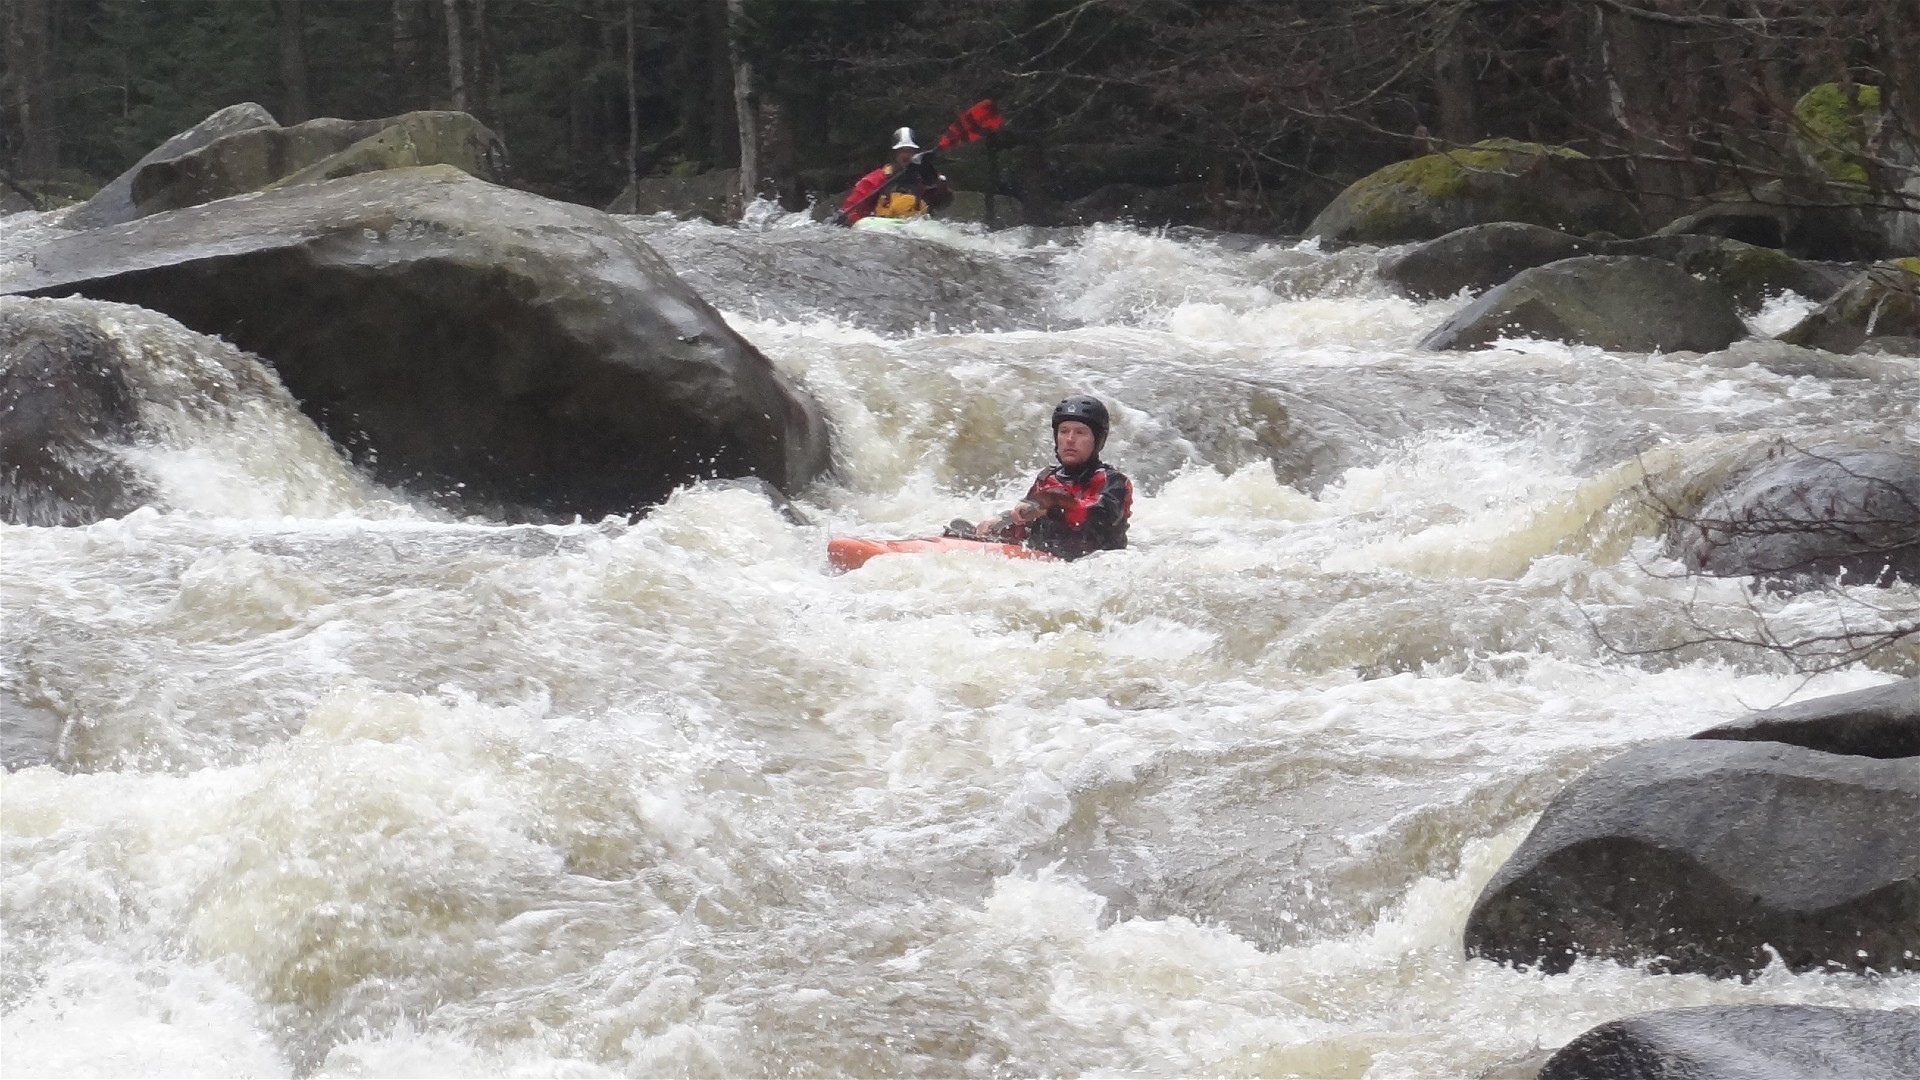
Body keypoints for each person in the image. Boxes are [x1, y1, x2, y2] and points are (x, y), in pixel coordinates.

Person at [965, 395, 1133, 560]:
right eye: (1064, 431)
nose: (1070, 440)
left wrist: (1050, 505)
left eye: (1080, 433)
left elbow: (1099, 515)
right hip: (1049, 559)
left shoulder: (1114, 482)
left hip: (1094, 565)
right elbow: (1027, 521)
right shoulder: (1047, 478)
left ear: (1098, 440)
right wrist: (1002, 521)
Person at [835, 127, 953, 225]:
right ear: (895, 153)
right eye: (902, 150)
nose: (906, 154)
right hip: (883, 227)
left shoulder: (925, 177)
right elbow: (852, 210)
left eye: (910, 150)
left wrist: (940, 185)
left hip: (916, 227)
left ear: (916, 152)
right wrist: (847, 220)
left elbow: (943, 202)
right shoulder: (876, 179)